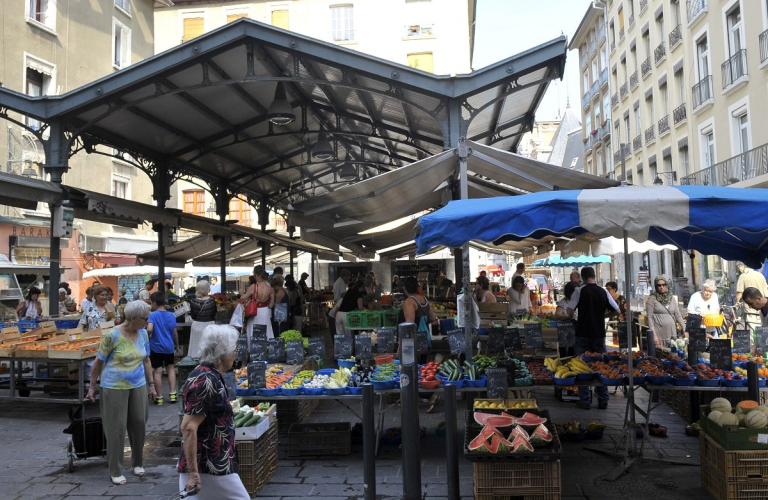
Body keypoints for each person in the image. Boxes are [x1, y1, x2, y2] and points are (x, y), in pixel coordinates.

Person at [87, 300, 156, 485]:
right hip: (114, 387)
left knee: (139, 422)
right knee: (116, 428)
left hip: (138, 384)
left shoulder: (142, 334)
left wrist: (151, 385)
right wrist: (92, 386)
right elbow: (98, 362)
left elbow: (147, 361)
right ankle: (116, 469)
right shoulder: (112, 335)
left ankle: (137, 462)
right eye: (145, 318)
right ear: (133, 318)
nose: (148, 322)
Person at [178, 325, 250, 500]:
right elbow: (188, 427)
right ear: (222, 352)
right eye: (234, 349)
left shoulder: (209, 374)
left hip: (213, 463)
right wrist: (193, 473)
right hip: (211, 465)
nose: (236, 353)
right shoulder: (206, 380)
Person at [567, 267, 620, 410]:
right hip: (599, 333)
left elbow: (570, 310)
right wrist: (603, 316)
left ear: (583, 278)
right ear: (594, 276)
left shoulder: (579, 291)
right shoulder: (603, 291)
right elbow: (617, 310)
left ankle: (585, 400)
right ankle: (603, 399)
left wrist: (573, 316)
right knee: (601, 366)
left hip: (582, 332)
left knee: (582, 367)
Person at [147, 291, 178, 406]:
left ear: (154, 303)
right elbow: (174, 332)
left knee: (158, 371)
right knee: (170, 369)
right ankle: (173, 394)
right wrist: (177, 344)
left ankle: (159, 397)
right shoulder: (171, 315)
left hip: (156, 347)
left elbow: (150, 329)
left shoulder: (153, 315)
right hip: (169, 347)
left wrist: (147, 334)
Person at [645, 276, 686, 346]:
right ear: (656, 286)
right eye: (659, 285)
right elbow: (649, 317)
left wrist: (685, 328)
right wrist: (654, 335)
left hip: (672, 333)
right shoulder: (652, 299)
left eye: (663, 285)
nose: (661, 287)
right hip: (659, 334)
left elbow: (678, 315)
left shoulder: (671, 298)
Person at [240, 269, 275, 339]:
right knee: (266, 330)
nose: (254, 277)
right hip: (265, 312)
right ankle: (266, 347)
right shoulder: (270, 289)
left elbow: (243, 298)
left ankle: (252, 347)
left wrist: (241, 293)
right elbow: (271, 305)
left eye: (254, 275)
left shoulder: (254, 286)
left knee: (253, 331)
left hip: (254, 311)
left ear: (258, 276)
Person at [735, 262, 768, 333]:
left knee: (753, 331)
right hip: (760, 306)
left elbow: (739, 292)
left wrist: (736, 303)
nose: (739, 269)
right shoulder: (760, 275)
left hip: (752, 311)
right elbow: (766, 291)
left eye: (739, 267)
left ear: (742, 266)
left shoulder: (743, 276)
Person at [189, 280, 217, 357]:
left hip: (197, 325)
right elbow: (214, 314)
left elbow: (193, 316)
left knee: (195, 348)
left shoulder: (193, 302)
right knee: (209, 349)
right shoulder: (211, 301)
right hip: (210, 326)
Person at [329, 269, 351, 336]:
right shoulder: (341, 282)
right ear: (345, 276)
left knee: (337, 332)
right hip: (339, 306)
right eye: (348, 277)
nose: (348, 279)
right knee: (339, 331)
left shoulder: (336, 281)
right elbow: (343, 294)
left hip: (337, 305)